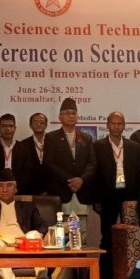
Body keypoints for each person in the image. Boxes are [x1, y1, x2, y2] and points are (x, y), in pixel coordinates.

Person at [93, 111, 140, 279]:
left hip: (129, 198)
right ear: (107, 125)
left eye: (120, 123)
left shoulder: (134, 147)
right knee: (107, 239)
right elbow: (94, 175)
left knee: (130, 239)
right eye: (113, 123)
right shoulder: (98, 146)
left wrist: (138, 200)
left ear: (124, 125)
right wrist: (96, 199)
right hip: (107, 197)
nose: (116, 127)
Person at [0, 169, 49, 279]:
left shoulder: (28, 207)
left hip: (24, 244)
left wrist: (40, 237)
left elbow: (42, 226)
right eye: (1, 186)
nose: (4, 190)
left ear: (16, 189)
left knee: (35, 235)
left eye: (9, 185)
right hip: (0, 244)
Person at [43, 97, 95, 242]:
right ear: (60, 117)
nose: (71, 116)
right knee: (61, 235)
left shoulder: (86, 138)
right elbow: (49, 163)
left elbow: (92, 164)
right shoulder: (52, 137)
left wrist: (81, 180)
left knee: (80, 234)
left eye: (74, 113)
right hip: (62, 192)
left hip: (81, 194)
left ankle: (81, 264)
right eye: (67, 112)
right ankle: (63, 265)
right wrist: (70, 180)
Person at [11, 111, 47, 195]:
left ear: (46, 125)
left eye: (42, 122)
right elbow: (22, 171)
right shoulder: (22, 145)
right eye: (35, 122)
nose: (39, 124)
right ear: (30, 125)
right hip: (29, 191)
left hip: (52, 191)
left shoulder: (53, 142)